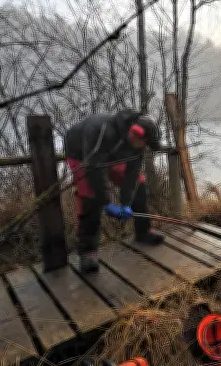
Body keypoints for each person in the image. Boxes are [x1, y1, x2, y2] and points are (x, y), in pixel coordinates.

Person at [64, 109, 166, 273]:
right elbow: (95, 170)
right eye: (145, 143)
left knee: (139, 184)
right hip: (82, 155)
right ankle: (88, 251)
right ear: (135, 133)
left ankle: (143, 231)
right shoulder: (101, 129)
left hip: (108, 156)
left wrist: (126, 203)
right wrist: (106, 203)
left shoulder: (137, 143)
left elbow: (132, 174)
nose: (144, 147)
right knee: (90, 196)